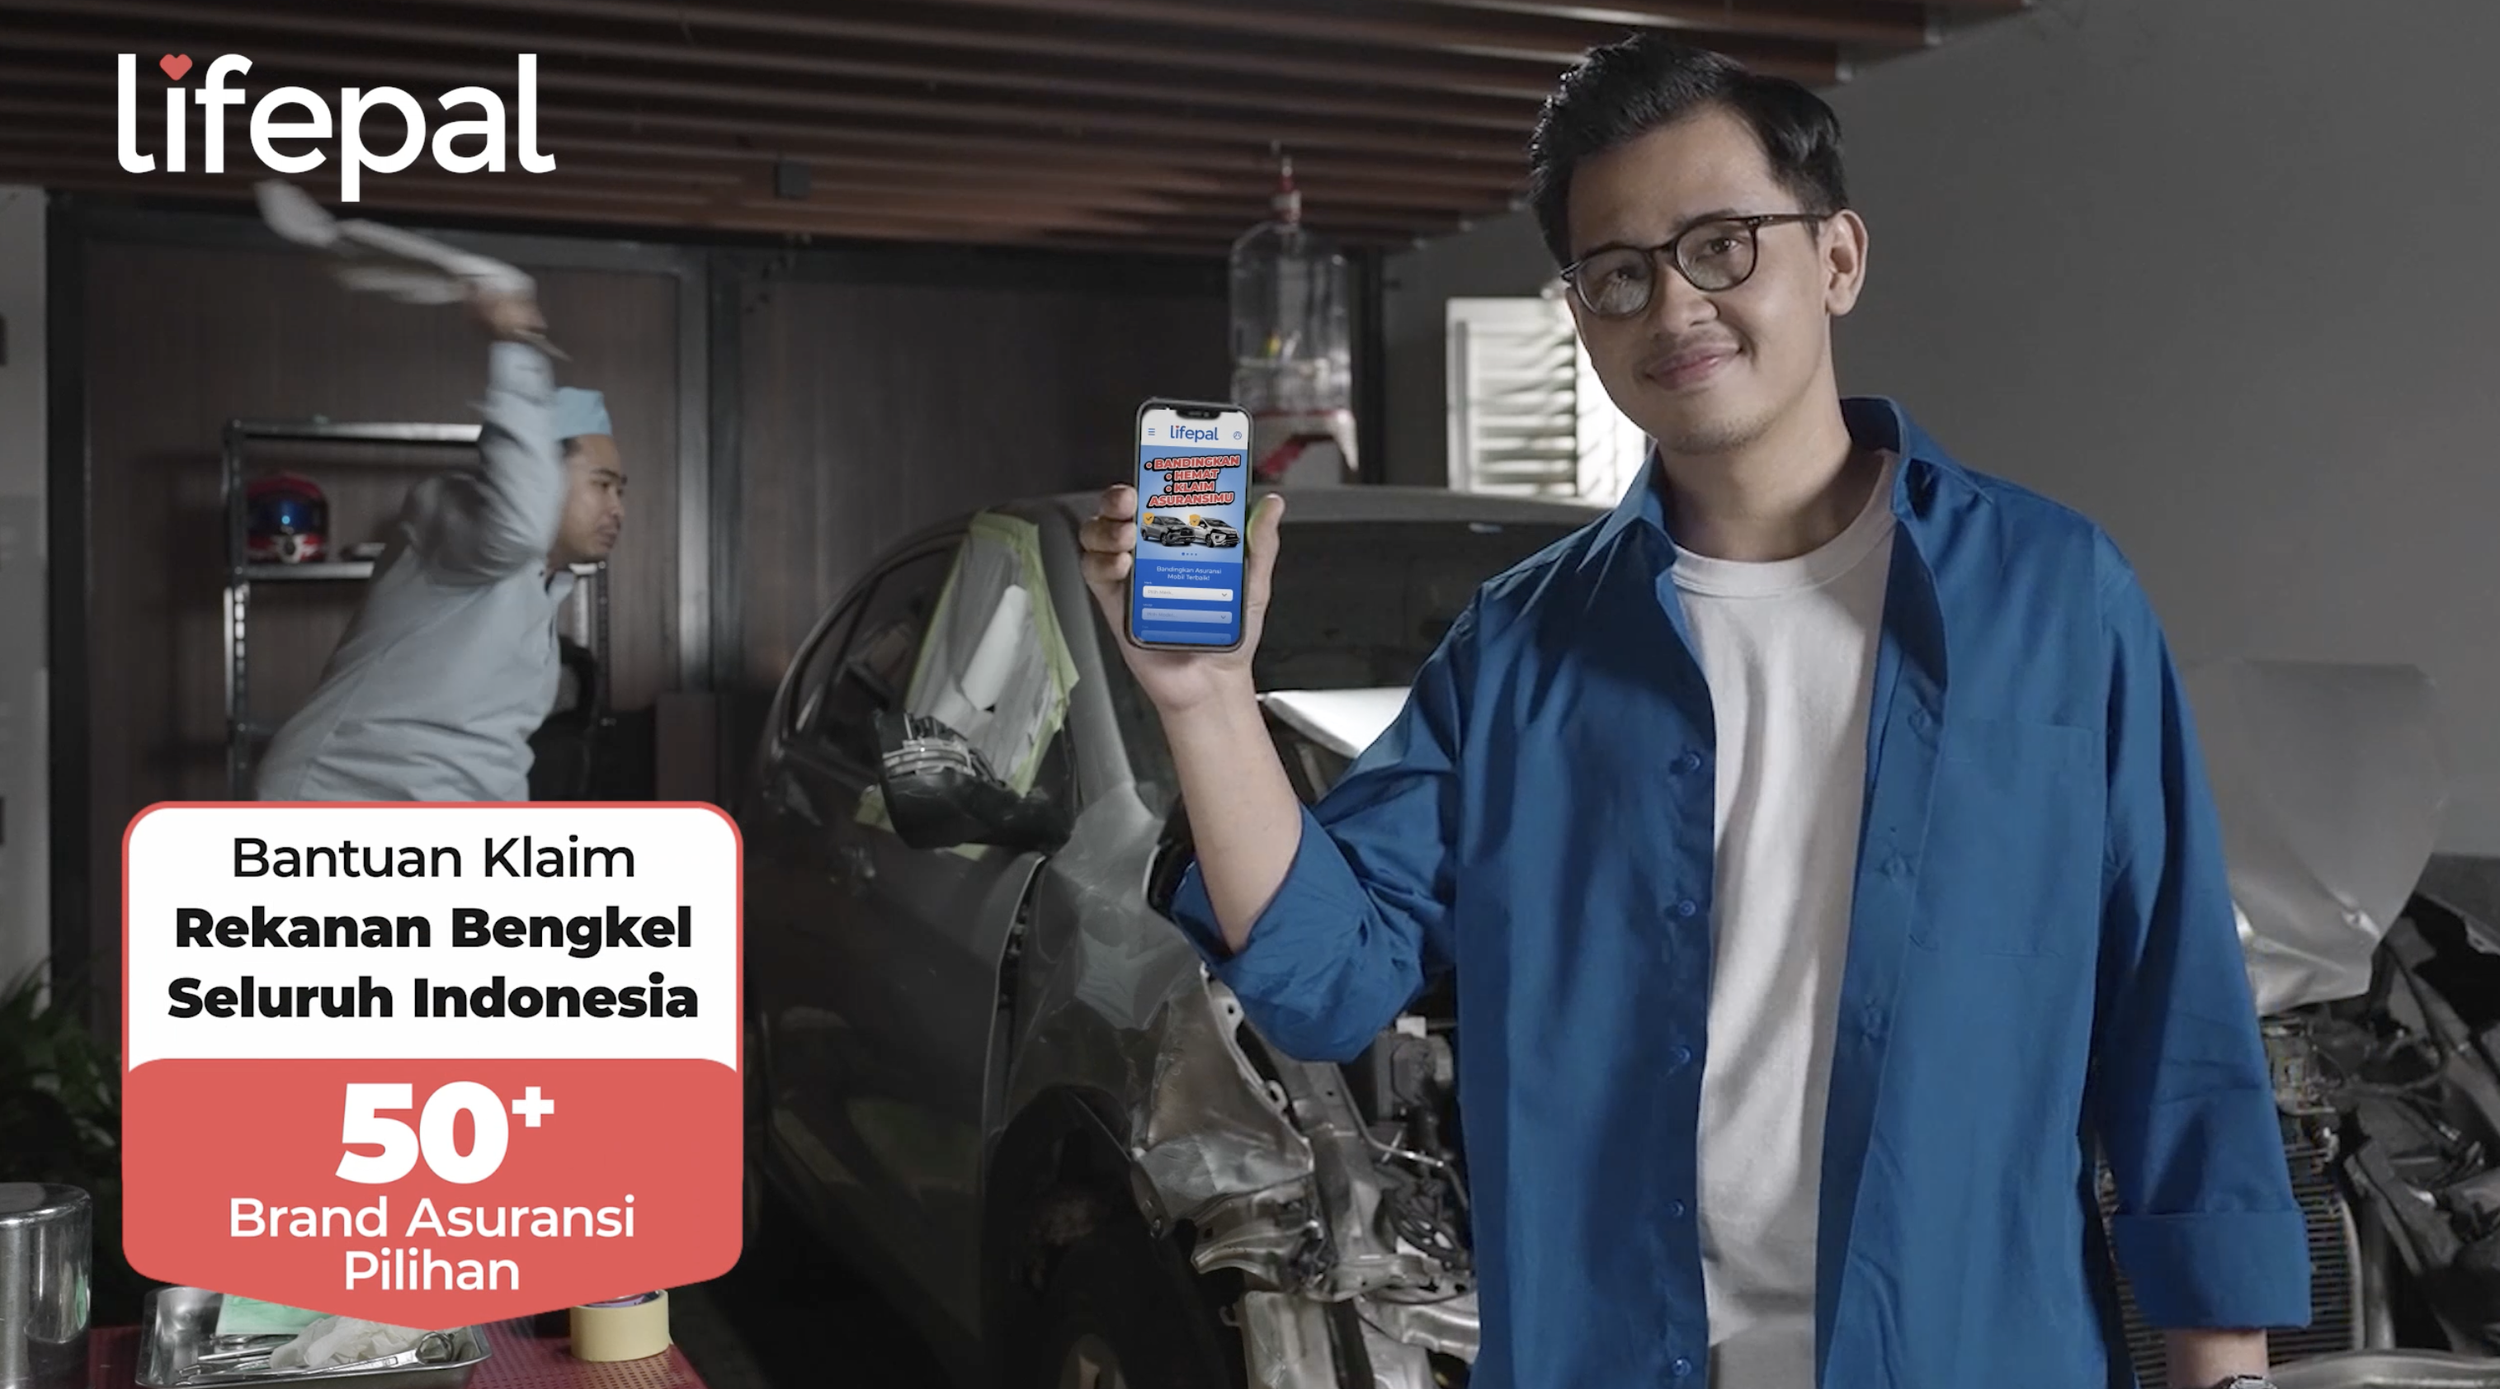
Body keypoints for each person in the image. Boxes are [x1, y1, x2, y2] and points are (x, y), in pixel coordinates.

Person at [1079, 33, 2305, 1389]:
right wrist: (1204, 699)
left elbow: (2172, 1008)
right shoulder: (1526, 647)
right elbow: (1326, 977)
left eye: (1722, 245)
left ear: (1835, 258)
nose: (1673, 306)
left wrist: (2222, 1364)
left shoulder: (2053, 595)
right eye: (1618, 274)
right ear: (1582, 315)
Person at [255, 285, 626, 802]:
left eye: (621, 491)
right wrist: (516, 346)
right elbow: (520, 521)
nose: (617, 509)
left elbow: (488, 761)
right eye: (602, 484)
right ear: (543, 470)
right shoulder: (453, 517)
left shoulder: (544, 592)